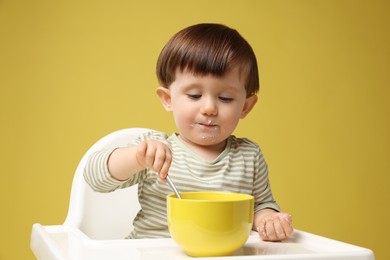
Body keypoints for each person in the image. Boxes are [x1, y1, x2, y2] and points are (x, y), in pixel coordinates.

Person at [84, 23, 293, 242]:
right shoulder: (155, 149)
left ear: (245, 106)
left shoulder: (249, 156)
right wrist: (136, 157)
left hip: (221, 254)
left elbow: (261, 205)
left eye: (225, 98)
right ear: (168, 99)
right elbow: (94, 177)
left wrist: (269, 220)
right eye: (194, 95)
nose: (209, 108)